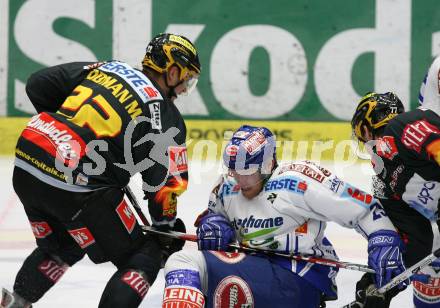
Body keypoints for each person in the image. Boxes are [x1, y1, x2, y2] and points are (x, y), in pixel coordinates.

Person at [0, 33, 201, 308]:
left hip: (28, 161)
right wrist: (165, 230)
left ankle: (15, 304)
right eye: (186, 79)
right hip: (76, 183)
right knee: (145, 253)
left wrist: (66, 133)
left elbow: (37, 85)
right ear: (173, 69)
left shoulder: (108, 67)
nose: (183, 89)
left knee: (63, 245)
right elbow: (164, 186)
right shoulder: (165, 114)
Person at [161, 125, 406, 308]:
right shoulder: (227, 186)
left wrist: (383, 238)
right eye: (234, 171)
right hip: (260, 275)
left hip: (296, 279)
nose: (240, 179)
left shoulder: (297, 181)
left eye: (248, 172)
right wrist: (214, 224)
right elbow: (212, 217)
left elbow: (363, 208)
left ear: (267, 164)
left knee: (184, 262)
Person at [350, 90, 440, 307]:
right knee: (429, 287)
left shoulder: (402, 127)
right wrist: (379, 286)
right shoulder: (384, 174)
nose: (363, 142)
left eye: (361, 133)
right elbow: (415, 240)